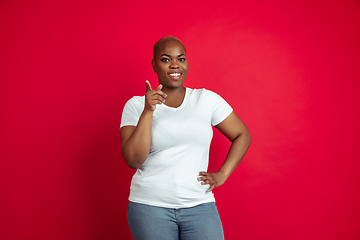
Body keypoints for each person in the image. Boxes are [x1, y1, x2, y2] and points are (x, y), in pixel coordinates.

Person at [120, 36, 251, 240]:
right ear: (154, 65)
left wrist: (223, 174)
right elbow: (133, 160)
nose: (175, 65)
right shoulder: (136, 105)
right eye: (165, 59)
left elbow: (242, 135)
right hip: (150, 207)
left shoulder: (206, 99)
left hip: (199, 205)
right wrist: (148, 111)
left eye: (181, 59)